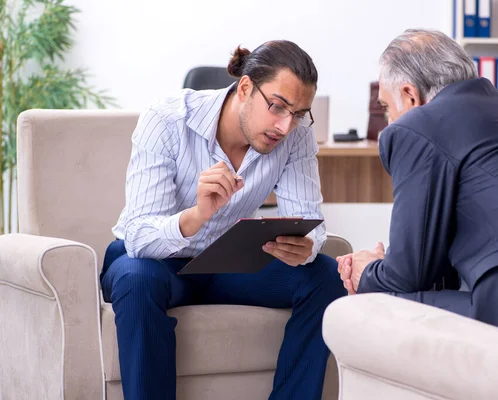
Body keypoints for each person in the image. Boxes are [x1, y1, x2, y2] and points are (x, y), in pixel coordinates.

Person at [100, 40, 345, 400]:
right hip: (155, 262)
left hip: (228, 262)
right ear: (245, 87)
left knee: (326, 276)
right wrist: (197, 216)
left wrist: (305, 248)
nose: (284, 125)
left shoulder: (296, 136)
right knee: (137, 280)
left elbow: (310, 220)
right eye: (277, 107)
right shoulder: (167, 120)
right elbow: (138, 236)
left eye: (298, 114)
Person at [338, 29, 498, 344]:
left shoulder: (416, 126)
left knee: (363, 305)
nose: (389, 122)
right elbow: (430, 265)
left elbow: (407, 275)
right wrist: (386, 267)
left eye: (387, 108)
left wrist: (367, 270)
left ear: (410, 95)